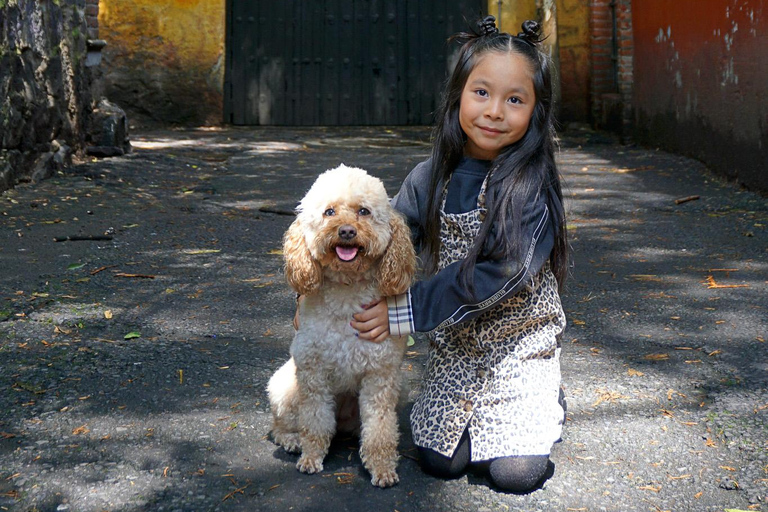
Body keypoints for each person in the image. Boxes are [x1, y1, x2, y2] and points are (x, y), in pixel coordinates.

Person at [350, 16, 569, 492]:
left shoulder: (532, 184)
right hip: (457, 346)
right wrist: (319, 298)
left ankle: (546, 395)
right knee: (439, 462)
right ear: (457, 96)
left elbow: (503, 273)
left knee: (515, 475)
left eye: (515, 100)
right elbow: (384, 236)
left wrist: (406, 311)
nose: (494, 111)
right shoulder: (431, 176)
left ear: (536, 110)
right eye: (481, 93)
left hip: (519, 344)